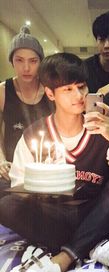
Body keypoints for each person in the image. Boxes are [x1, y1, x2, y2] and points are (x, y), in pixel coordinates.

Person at [0, 52, 109, 272]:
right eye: (68, 89)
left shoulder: (101, 128)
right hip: (54, 215)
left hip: (93, 211)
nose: (79, 96)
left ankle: (62, 259)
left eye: (82, 87)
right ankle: (93, 244)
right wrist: (41, 181)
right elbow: (18, 190)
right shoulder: (34, 135)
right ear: (50, 94)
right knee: (4, 202)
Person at [0, 25, 53, 192]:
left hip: (47, 168)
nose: (26, 68)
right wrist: (0, 160)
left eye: (33, 61)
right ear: (11, 61)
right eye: (19, 60)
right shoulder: (2, 91)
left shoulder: (50, 91)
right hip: (12, 169)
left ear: (41, 62)